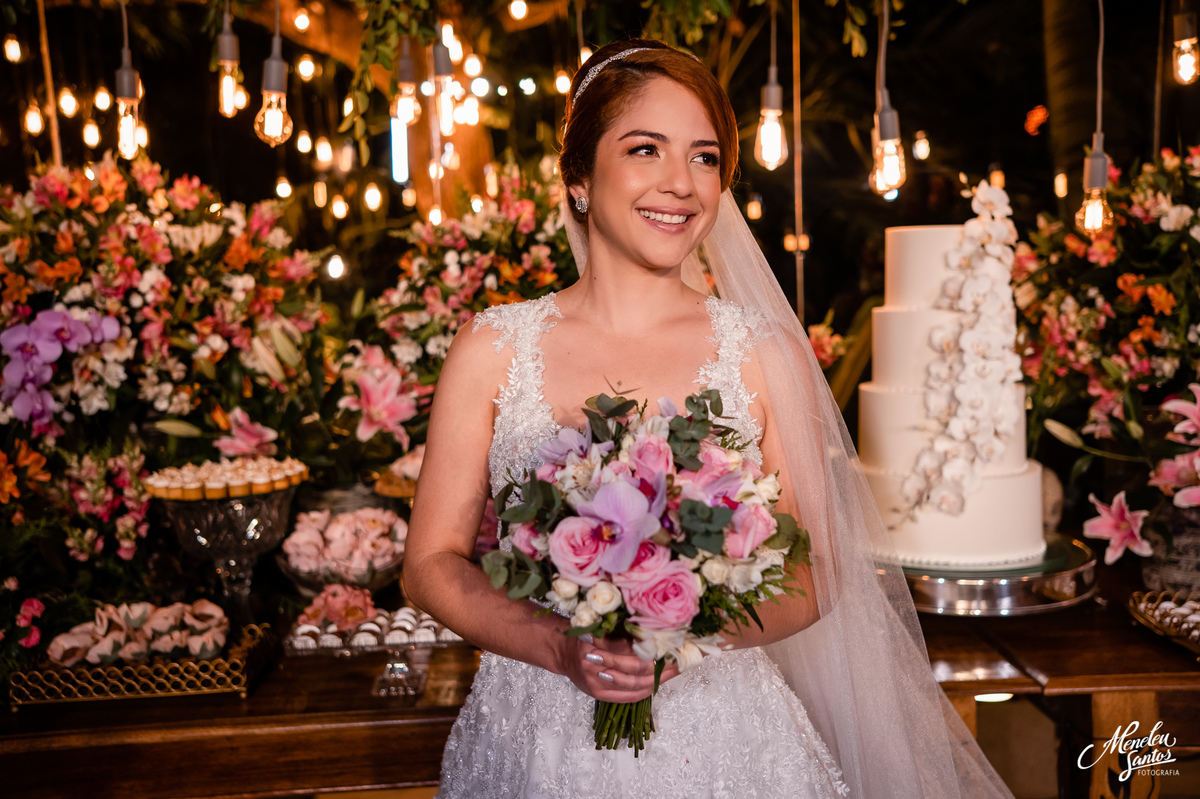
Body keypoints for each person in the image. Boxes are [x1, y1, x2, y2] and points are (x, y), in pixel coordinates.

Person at [404, 39, 1014, 799]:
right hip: (533, 732)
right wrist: (560, 645)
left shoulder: (762, 354)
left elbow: (819, 570)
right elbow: (430, 563)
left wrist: (677, 640)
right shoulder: (493, 346)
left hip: (723, 742)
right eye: (645, 148)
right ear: (579, 179)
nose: (681, 183)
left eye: (704, 157)